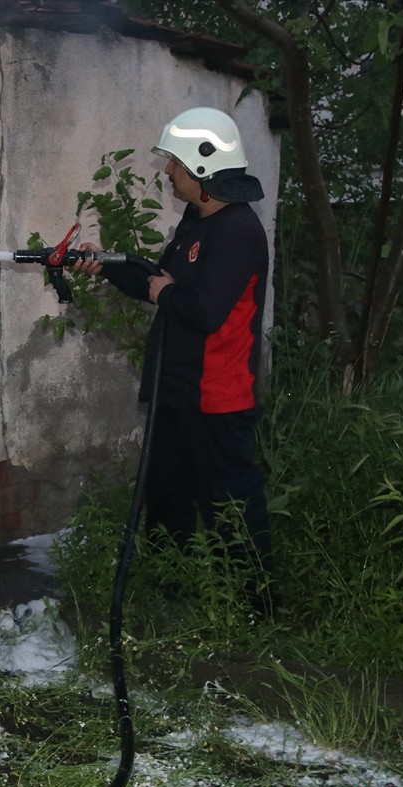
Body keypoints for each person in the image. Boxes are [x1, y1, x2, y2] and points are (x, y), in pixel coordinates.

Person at [70, 107, 274, 616]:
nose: (168, 172)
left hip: (218, 398)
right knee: (166, 499)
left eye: (176, 164)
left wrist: (164, 292)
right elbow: (157, 281)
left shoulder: (238, 231)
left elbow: (203, 312)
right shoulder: (197, 220)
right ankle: (170, 594)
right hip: (176, 390)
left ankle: (255, 609)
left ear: (203, 170)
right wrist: (104, 264)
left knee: (229, 508)